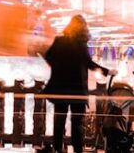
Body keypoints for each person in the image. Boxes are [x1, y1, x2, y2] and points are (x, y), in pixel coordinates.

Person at [42, 15, 112, 153]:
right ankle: (77, 149)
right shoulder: (80, 44)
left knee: (59, 121)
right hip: (77, 90)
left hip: (61, 88)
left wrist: (59, 68)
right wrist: (107, 71)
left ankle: (58, 148)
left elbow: (49, 56)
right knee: (77, 123)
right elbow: (88, 63)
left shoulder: (59, 41)